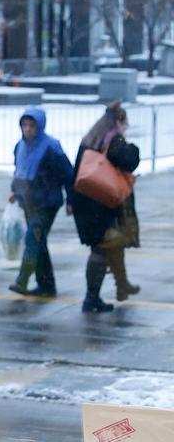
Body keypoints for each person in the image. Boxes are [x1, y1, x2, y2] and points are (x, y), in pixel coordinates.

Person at [70, 101, 141, 314]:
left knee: (111, 243)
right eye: (125, 123)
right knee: (101, 248)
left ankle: (122, 285)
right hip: (103, 202)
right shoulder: (114, 140)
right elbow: (129, 161)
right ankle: (91, 298)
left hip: (86, 201)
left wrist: (72, 201)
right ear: (119, 121)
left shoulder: (90, 139)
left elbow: (77, 170)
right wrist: (134, 148)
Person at [7, 108, 73, 299]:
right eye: (24, 125)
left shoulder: (51, 147)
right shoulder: (20, 146)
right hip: (28, 202)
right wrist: (14, 190)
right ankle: (47, 285)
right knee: (39, 242)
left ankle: (22, 280)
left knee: (32, 240)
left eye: (31, 125)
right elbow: (19, 171)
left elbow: (68, 174)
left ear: (40, 126)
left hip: (46, 203)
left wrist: (71, 200)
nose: (27, 129)